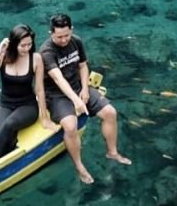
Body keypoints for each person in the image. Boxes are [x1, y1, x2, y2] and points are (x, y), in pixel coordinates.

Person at [40, 13, 130, 184]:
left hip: (77, 86)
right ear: (50, 33)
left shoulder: (77, 41)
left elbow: (82, 66)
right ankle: (80, 167)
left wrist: (85, 89)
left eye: (67, 35)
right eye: (59, 37)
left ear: (71, 30)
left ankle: (112, 152)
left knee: (110, 112)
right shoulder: (46, 52)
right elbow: (58, 79)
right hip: (56, 94)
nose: (64, 40)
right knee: (70, 126)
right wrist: (76, 100)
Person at [0, 24, 55, 164]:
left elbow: (39, 89)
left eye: (29, 44)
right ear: (14, 44)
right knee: (6, 132)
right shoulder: (2, 57)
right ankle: (12, 160)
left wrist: (45, 118)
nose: (27, 49)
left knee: (9, 124)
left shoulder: (36, 58)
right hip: (5, 104)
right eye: (23, 45)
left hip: (28, 106)